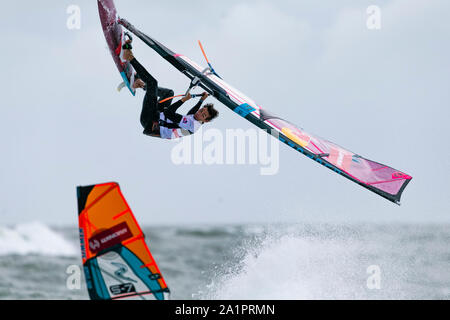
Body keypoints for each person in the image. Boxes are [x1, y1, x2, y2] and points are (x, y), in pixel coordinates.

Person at [122, 43, 219, 139]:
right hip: (157, 115)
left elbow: (169, 113)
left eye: (203, 115)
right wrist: (201, 101)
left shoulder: (192, 126)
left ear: (205, 121)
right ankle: (141, 85)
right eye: (201, 110)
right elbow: (192, 114)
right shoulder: (196, 121)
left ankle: (129, 57)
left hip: (150, 121)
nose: (199, 113)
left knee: (153, 83)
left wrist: (184, 100)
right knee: (169, 93)